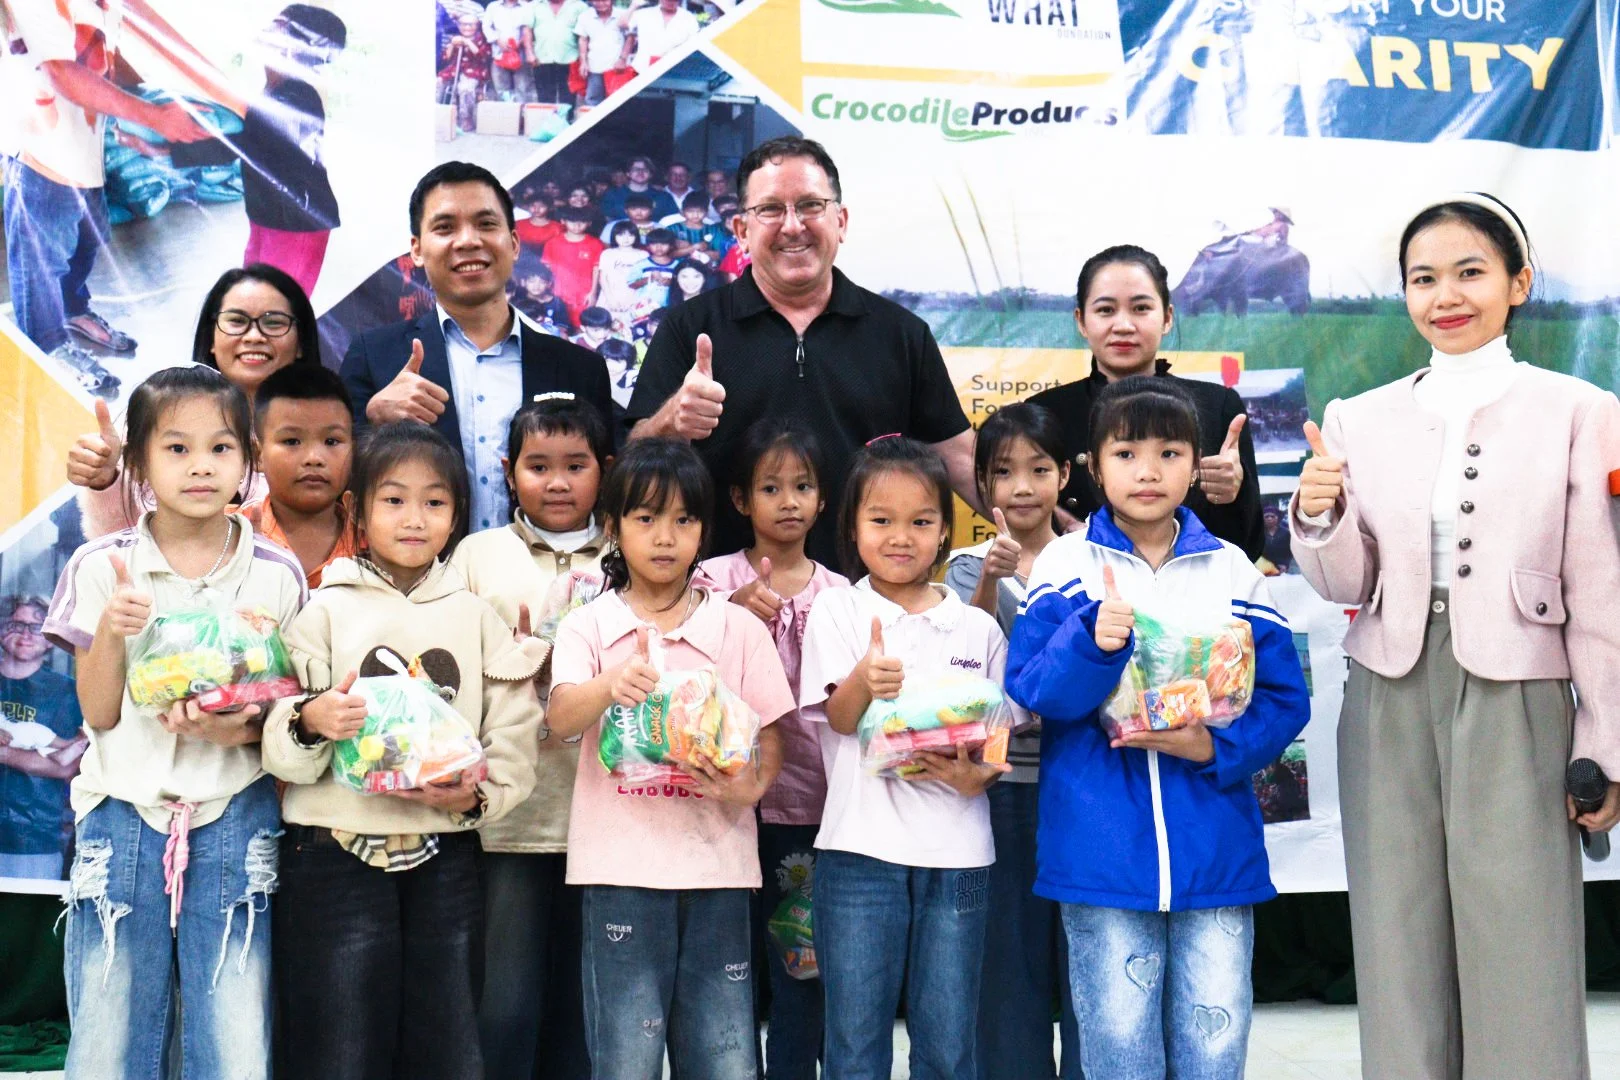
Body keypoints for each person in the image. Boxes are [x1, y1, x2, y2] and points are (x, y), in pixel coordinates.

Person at [1289, 192, 1620, 1080]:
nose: (1447, 295)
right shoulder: (1359, 415)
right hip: (1387, 692)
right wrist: (1316, 519)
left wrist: (1606, 747)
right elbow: (1346, 585)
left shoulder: (1581, 409)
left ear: (1518, 282)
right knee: (1395, 937)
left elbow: (1601, 597)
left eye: (1470, 272)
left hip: (1518, 693)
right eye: (1423, 278)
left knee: (1522, 936)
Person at [1005, 376, 1311, 1080]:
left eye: (1170, 453)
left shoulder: (1230, 569)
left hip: (1217, 855)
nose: (1148, 471)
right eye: (1127, 453)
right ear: (1092, 465)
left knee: (1214, 1044)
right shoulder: (1066, 565)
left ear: (1195, 462)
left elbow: (1283, 698)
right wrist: (1093, 642)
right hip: (1100, 854)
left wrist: (1213, 747)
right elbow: (1034, 691)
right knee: (1119, 1049)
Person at [43, 365, 306, 1079]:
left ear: (248, 461)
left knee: (232, 1020)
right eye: (176, 449)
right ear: (138, 465)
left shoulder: (277, 574)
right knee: (111, 1020)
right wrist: (114, 631)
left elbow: (289, 714)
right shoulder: (104, 565)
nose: (200, 467)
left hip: (236, 815)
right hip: (122, 813)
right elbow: (97, 714)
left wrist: (241, 728)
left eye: (221, 449)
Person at [263, 422, 546, 1080]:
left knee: (445, 1035)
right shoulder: (323, 610)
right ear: (356, 510)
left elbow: (512, 729)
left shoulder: (475, 616)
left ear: (458, 516)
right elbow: (279, 740)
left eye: (434, 501)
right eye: (393, 500)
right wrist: (311, 721)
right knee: (336, 1037)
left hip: (445, 853)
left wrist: (477, 797)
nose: (414, 518)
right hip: (332, 850)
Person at [545, 437, 793, 1079]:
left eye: (684, 520)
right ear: (613, 528)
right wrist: (609, 685)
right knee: (626, 1058)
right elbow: (561, 717)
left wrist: (743, 789)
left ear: (704, 531)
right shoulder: (589, 626)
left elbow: (772, 737)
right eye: (645, 518)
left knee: (726, 1057)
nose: (665, 537)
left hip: (718, 871)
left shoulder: (737, 629)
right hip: (619, 871)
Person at [627, 135, 979, 566]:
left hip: (864, 603)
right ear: (741, 230)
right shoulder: (691, 328)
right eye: (771, 209)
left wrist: (1054, 533)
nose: (792, 225)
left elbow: (960, 458)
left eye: (811, 205)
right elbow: (632, 459)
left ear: (841, 221)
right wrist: (672, 422)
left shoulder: (901, 334)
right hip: (718, 607)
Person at [798, 436, 1017, 1080]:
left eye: (921, 522)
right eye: (881, 521)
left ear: (946, 530)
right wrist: (867, 680)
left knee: (948, 1046)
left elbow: (999, 732)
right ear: (852, 525)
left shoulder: (976, 626)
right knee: (855, 1044)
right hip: (859, 854)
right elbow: (837, 720)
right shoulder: (837, 609)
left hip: (959, 859)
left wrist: (979, 775)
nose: (901, 538)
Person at [450, 396, 612, 1080]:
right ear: (507, 470)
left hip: (609, 817)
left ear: (605, 470)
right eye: (538, 466)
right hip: (512, 814)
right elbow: (446, 675)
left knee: (589, 1006)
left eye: (576, 466)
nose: (557, 482)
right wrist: (509, 660)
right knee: (505, 1004)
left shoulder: (628, 550)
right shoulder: (477, 555)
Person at [340, 161, 613, 535]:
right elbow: (335, 479)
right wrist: (374, 421)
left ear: (514, 244)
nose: (468, 240)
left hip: (549, 584)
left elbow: (608, 489)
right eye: (445, 227)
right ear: (417, 250)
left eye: (486, 224)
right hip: (415, 584)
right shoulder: (374, 356)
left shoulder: (579, 369)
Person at [693, 420, 846, 1080]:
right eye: (771, 487)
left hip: (810, 810)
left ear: (822, 500)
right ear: (738, 500)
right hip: (719, 808)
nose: (788, 501)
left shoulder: (840, 593)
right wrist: (730, 618)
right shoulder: (707, 579)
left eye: (803, 487)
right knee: (722, 969)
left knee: (800, 968)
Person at [939, 402, 1081, 1080]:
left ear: (1066, 474)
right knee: (1007, 960)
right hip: (1000, 787)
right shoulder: (967, 567)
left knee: (1087, 954)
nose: (1022, 487)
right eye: (1003, 472)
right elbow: (965, 661)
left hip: (1082, 782)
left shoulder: (1093, 557)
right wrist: (995, 576)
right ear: (983, 485)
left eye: (1039, 469)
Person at [3, 0, 210, 394]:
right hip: (39, 150)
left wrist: (161, 100)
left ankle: (72, 311)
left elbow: (108, 55)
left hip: (83, 148)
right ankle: (48, 348)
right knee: (40, 259)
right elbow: (62, 72)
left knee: (89, 236)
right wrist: (153, 117)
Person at [1025, 245, 1263, 559]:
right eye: (1106, 310)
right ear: (1081, 321)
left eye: (1140, 308)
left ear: (1167, 317)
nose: (1123, 325)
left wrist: (1234, 492)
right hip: (1082, 599)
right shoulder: (1044, 413)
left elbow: (1250, 547)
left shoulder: (1217, 406)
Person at [66, 264, 323, 537]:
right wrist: (107, 482)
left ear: (301, 342)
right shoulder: (156, 411)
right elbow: (115, 545)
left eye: (274, 323)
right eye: (236, 321)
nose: (254, 336)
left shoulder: (329, 434)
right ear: (211, 337)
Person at [240, 364, 357, 589]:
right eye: (292, 441)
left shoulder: (376, 543)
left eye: (331, 441)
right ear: (258, 455)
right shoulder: (227, 533)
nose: (314, 458)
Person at [0, 596, 88, 881]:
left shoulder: (66, 692)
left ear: (50, 639)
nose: (25, 634)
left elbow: (66, 768)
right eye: (16, 624)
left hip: (34, 835)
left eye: (36, 627)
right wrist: (32, 760)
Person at [439, 14, 492, 133]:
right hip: (453, 70)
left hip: (474, 71)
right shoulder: (455, 37)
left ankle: (465, 121)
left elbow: (482, 57)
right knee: (436, 84)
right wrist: (452, 45)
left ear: (477, 26)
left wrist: (467, 42)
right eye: (463, 24)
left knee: (465, 88)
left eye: (470, 24)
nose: (467, 27)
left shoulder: (482, 39)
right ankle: (437, 116)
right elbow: (446, 58)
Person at [529, 0, 587, 104]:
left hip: (570, 59)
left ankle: (566, 120)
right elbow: (527, 30)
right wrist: (529, 52)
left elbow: (585, 34)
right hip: (542, 58)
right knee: (545, 99)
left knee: (568, 99)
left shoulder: (579, 6)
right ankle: (546, 119)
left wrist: (583, 60)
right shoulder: (535, 5)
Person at [575, 0, 628, 107]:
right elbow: (583, 40)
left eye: (604, 0)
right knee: (592, 102)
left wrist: (623, 59)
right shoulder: (585, 16)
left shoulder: (623, 15)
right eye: (596, 0)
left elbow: (630, 39)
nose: (600, 3)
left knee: (617, 104)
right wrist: (583, 62)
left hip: (617, 69)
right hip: (595, 67)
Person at [597, 221, 648, 332]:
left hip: (634, 296)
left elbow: (644, 280)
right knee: (607, 328)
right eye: (621, 235)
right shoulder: (607, 253)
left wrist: (634, 300)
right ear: (614, 236)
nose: (626, 239)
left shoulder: (643, 255)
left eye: (630, 235)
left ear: (636, 236)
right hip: (610, 295)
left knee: (630, 329)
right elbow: (603, 278)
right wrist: (610, 299)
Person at [484, 0, 538, 102]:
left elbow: (532, 28)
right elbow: (486, 27)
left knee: (522, 89)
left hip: (521, 56)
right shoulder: (493, 7)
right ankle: (507, 116)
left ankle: (522, 116)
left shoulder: (528, 7)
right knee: (502, 90)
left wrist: (522, 41)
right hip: (499, 54)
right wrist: (497, 39)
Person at [599, 156, 679, 221]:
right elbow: (607, 219)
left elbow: (673, 221)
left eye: (645, 169)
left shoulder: (663, 197)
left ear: (651, 174)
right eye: (636, 169)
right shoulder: (613, 194)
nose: (640, 172)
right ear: (628, 173)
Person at [512, 257, 576, 334]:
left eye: (542, 282)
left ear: (549, 284)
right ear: (523, 282)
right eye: (532, 281)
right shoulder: (519, 300)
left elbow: (562, 327)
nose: (536, 286)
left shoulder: (556, 303)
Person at [668, 192, 732, 260]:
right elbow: (666, 254)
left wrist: (698, 254)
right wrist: (693, 247)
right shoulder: (672, 229)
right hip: (679, 267)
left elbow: (722, 253)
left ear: (706, 213)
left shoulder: (714, 230)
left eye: (700, 211)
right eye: (690, 211)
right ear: (682, 212)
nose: (695, 215)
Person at [1259, 505, 1292, 574]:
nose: (1269, 518)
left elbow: (1291, 552)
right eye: (1266, 516)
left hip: (1285, 568)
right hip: (1264, 569)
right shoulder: (1258, 534)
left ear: (1278, 518)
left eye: (1272, 516)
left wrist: (1285, 564)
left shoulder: (1286, 533)